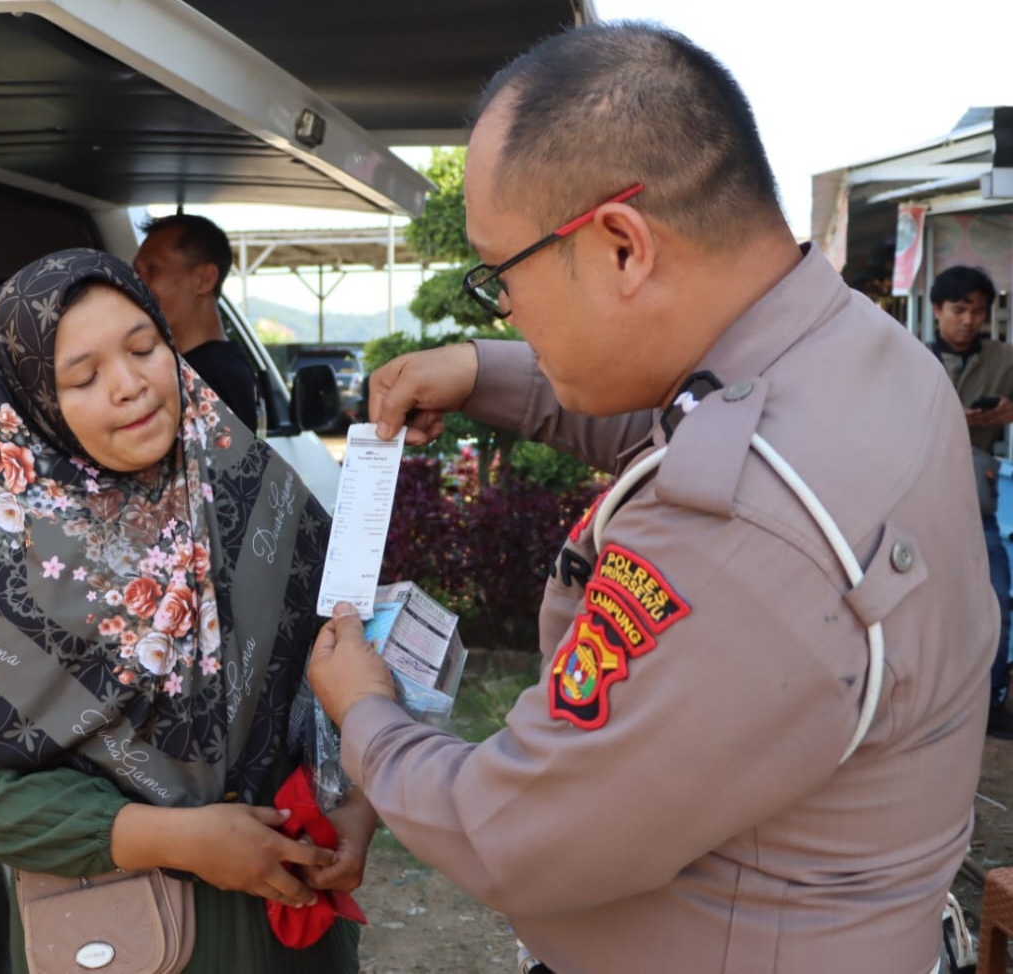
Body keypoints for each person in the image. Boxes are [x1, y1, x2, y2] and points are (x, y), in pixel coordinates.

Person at [305, 22, 991, 974]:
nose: (503, 311)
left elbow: (515, 828)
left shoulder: (741, 532)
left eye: (500, 279)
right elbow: (688, 412)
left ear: (622, 246)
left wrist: (368, 713)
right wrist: (479, 371)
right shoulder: (858, 355)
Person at [0, 249, 372, 972]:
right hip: (138, 935)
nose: (129, 386)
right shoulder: (3, 574)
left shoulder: (257, 491)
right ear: (34, 402)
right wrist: (172, 838)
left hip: (297, 923)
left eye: (142, 348)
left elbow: (345, 664)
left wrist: (358, 805)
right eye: (83, 376)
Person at [929, 264, 1013, 737]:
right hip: (919, 504)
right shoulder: (910, 358)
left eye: (977, 312)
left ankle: (992, 701)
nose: (967, 320)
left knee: (996, 599)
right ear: (937, 309)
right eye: (958, 309)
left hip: (978, 504)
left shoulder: (1004, 358)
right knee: (926, 607)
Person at [134, 214, 260, 431]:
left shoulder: (211, 377)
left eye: (152, 269)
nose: (136, 282)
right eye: (136, 272)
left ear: (204, 279)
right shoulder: (217, 367)